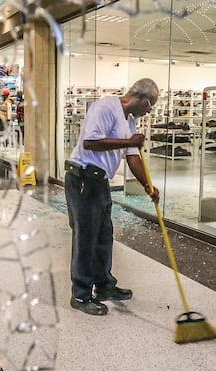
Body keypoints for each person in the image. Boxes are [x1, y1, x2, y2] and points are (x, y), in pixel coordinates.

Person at [65, 78, 161, 315]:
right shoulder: (106, 106)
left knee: (104, 236)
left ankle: (104, 285)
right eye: (150, 107)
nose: (148, 112)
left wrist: (148, 185)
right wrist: (130, 141)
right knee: (86, 238)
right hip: (83, 179)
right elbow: (90, 142)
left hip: (99, 182)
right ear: (141, 98)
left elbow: (132, 157)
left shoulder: (128, 122)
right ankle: (81, 294)